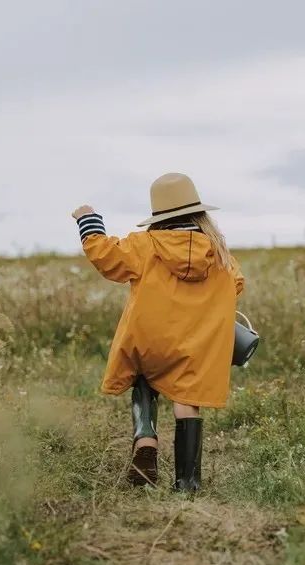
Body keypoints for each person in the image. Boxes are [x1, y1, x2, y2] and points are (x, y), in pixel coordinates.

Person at [71, 173, 244, 491]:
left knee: (141, 373)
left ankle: (146, 438)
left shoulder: (144, 246)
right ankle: (187, 483)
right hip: (197, 346)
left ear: (159, 216)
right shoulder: (219, 254)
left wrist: (88, 220)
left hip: (150, 339)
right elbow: (236, 286)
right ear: (199, 213)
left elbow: (106, 257)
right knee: (187, 398)